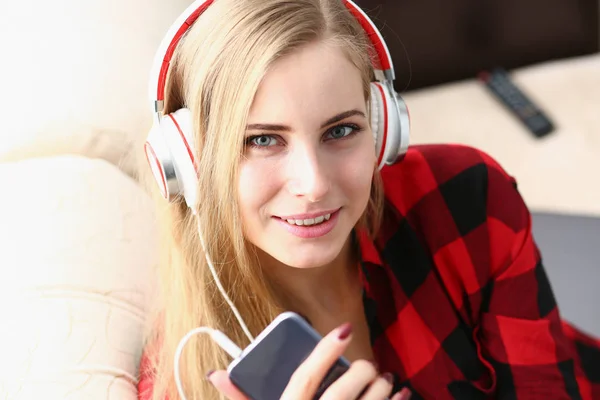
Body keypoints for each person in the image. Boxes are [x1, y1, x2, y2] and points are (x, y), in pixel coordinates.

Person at [137, 0, 600, 399]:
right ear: (190, 162)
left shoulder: (464, 195)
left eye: (341, 130)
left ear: (381, 129)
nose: (313, 184)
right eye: (262, 140)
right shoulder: (185, 373)